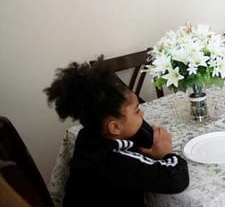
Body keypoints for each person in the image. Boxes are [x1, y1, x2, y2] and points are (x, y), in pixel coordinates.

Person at [43, 56, 189, 207]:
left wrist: (143, 134)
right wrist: (166, 153)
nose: (142, 115)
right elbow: (176, 179)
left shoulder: (88, 135)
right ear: (115, 127)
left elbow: (146, 137)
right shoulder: (116, 162)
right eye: (137, 111)